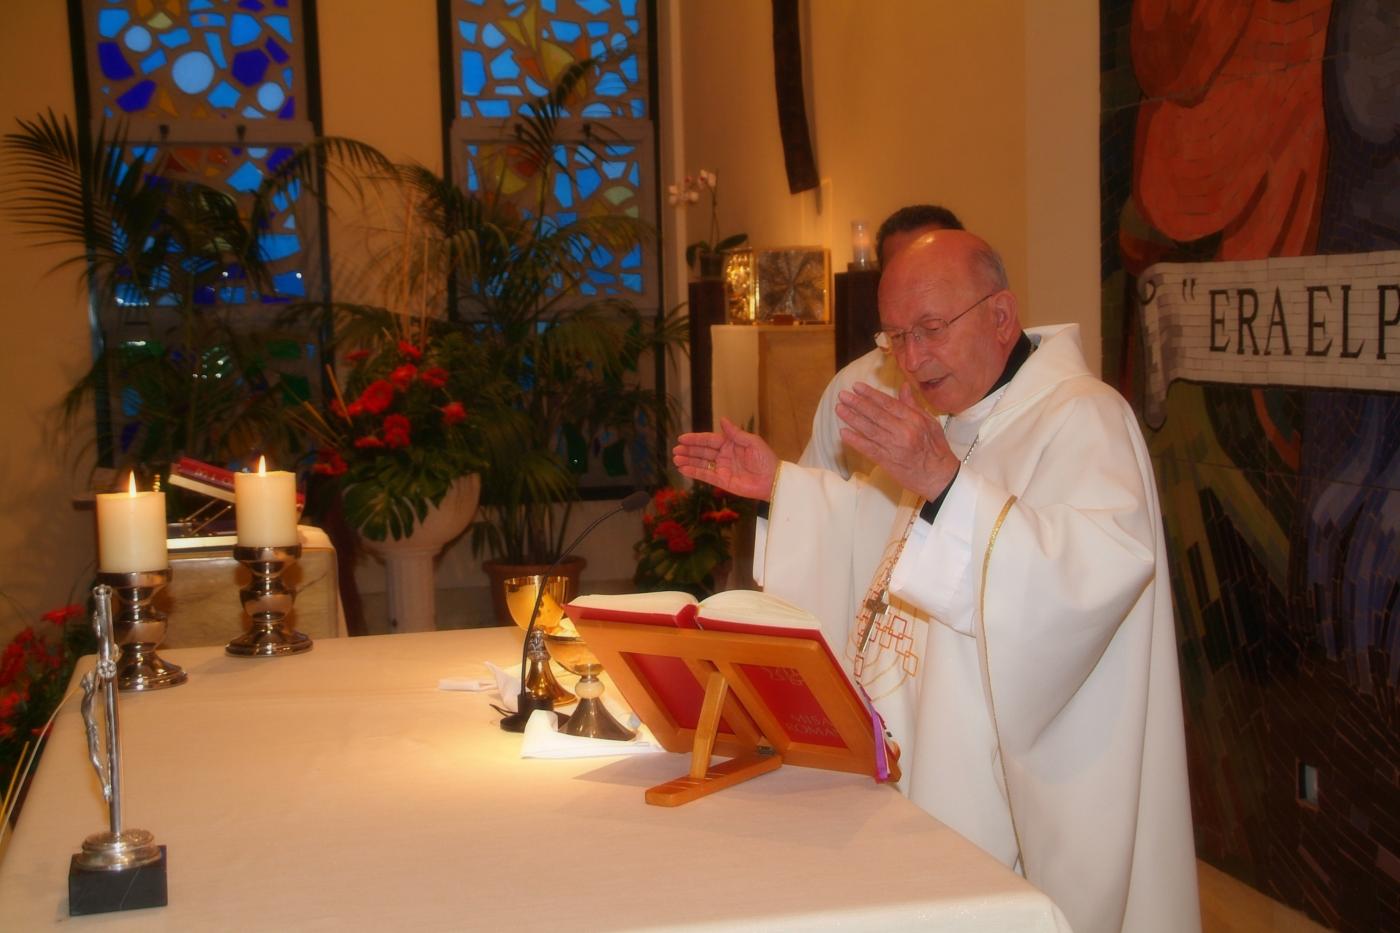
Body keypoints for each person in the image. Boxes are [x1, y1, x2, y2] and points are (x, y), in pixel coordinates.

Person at [674, 229, 1199, 933]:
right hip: (916, 775)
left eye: (929, 329)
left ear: (1001, 317)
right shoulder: (955, 422)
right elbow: (888, 542)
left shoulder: (1085, 417)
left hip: (1019, 800)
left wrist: (948, 487)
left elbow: (1084, 581)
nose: (912, 359)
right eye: (896, 336)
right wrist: (781, 486)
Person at [798, 204, 963, 477]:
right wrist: (773, 483)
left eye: (927, 269)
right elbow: (817, 490)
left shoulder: (1017, 386)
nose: (913, 358)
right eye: (899, 271)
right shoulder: (854, 387)